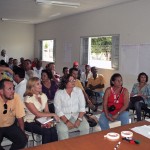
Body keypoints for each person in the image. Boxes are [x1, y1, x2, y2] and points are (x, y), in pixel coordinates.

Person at [24, 77, 59, 144]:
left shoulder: (43, 95)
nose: (41, 85)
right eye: (38, 84)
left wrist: (49, 121)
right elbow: (37, 113)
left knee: (53, 129)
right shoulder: (28, 98)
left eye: (40, 83)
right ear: (32, 87)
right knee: (47, 131)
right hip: (30, 122)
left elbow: (46, 111)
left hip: (41, 120)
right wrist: (53, 114)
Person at [54, 74, 89, 140]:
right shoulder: (59, 93)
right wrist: (67, 122)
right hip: (63, 117)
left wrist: (79, 120)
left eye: (74, 80)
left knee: (86, 127)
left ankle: (83, 145)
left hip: (77, 115)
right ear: (65, 83)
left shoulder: (78, 91)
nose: (73, 82)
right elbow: (58, 111)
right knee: (62, 130)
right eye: (71, 80)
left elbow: (82, 107)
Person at [0, 79, 27, 150]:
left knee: (23, 140)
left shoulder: (16, 97)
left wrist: (22, 132)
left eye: (13, 88)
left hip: (10, 125)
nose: (13, 91)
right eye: (9, 89)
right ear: (1, 91)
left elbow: (20, 117)